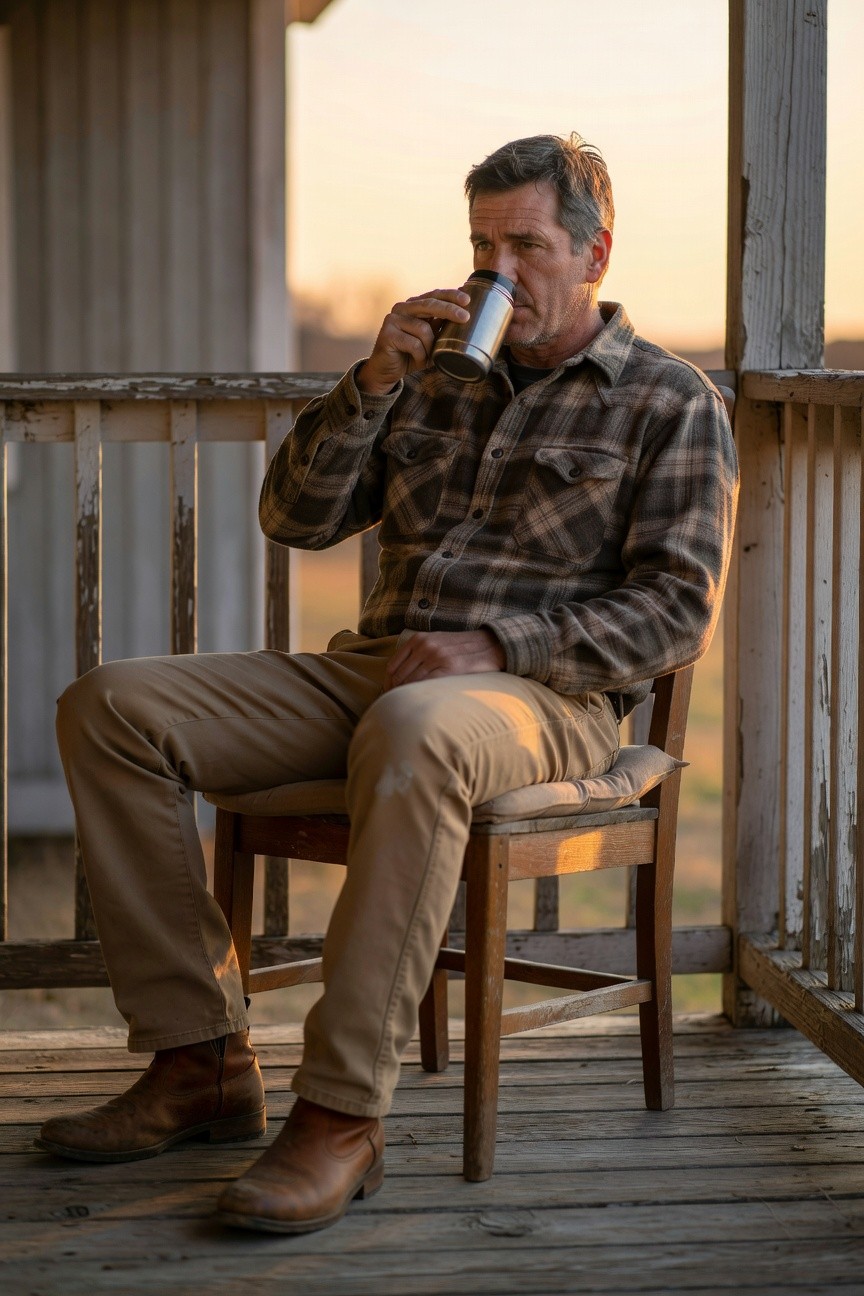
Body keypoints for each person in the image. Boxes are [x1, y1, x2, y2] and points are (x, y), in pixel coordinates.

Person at [35, 133, 738, 1235]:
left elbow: (676, 612)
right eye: (482, 245)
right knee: (112, 706)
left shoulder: (668, 399)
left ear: (595, 253)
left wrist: (499, 645)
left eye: (527, 246)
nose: (497, 270)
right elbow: (293, 519)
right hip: (378, 671)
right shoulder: (431, 376)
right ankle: (199, 1059)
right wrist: (369, 385)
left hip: (545, 701)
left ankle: (340, 1113)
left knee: (420, 726)